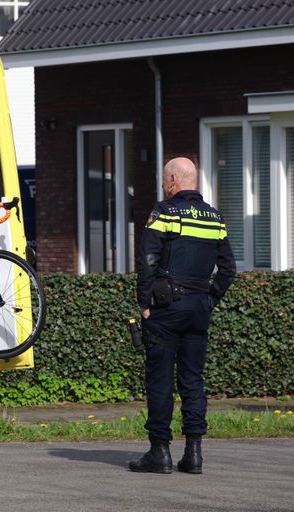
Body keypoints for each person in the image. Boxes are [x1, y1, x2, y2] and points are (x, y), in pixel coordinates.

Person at [130, 157, 236, 475]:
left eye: (165, 180)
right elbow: (228, 269)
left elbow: (147, 258)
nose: (164, 186)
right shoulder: (214, 218)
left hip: (166, 309)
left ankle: (159, 452)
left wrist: (144, 301)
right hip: (198, 309)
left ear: (174, 180)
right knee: (192, 379)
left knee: (160, 380)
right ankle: (194, 454)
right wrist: (209, 299)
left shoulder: (164, 212)